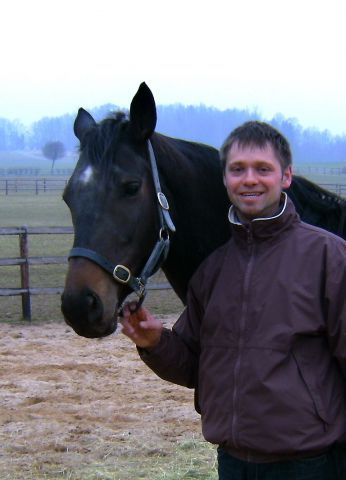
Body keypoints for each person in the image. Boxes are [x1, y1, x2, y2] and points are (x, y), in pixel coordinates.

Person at [122, 121, 346, 479]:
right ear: (224, 179)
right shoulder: (214, 270)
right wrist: (156, 342)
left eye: (263, 169)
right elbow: (196, 366)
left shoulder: (329, 257)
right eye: (238, 169)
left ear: (286, 176)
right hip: (232, 460)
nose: (250, 179)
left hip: (309, 463)